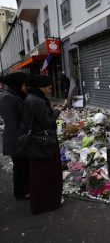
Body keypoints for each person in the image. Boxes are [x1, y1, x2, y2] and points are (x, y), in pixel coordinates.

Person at [20, 75, 63, 214]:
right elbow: (47, 123)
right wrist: (56, 112)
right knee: (47, 173)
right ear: (41, 88)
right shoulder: (38, 101)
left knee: (38, 174)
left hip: (36, 142)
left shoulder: (31, 98)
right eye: (49, 88)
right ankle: (48, 203)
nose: (50, 91)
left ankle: (41, 202)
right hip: (43, 142)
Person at [0, 72, 31, 199]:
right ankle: (20, 193)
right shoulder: (7, 98)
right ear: (17, 84)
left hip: (20, 138)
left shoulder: (15, 95)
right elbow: (12, 123)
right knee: (20, 168)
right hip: (16, 139)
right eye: (24, 84)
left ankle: (24, 190)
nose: (26, 87)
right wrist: (23, 139)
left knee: (23, 166)